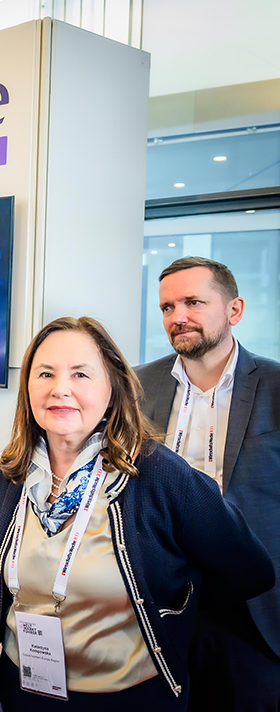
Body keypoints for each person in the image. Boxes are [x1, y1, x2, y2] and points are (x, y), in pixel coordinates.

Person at [0, 316, 274, 710]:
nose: (59, 388)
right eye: (45, 373)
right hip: (21, 690)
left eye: (80, 374)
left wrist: (173, 611)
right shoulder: (11, 476)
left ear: (112, 387)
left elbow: (249, 569)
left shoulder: (157, 474)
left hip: (127, 699)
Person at [134, 256, 280, 712]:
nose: (178, 317)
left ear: (234, 310)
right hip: (159, 594)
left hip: (253, 602)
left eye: (193, 302)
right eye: (167, 307)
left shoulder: (276, 385)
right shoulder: (137, 385)